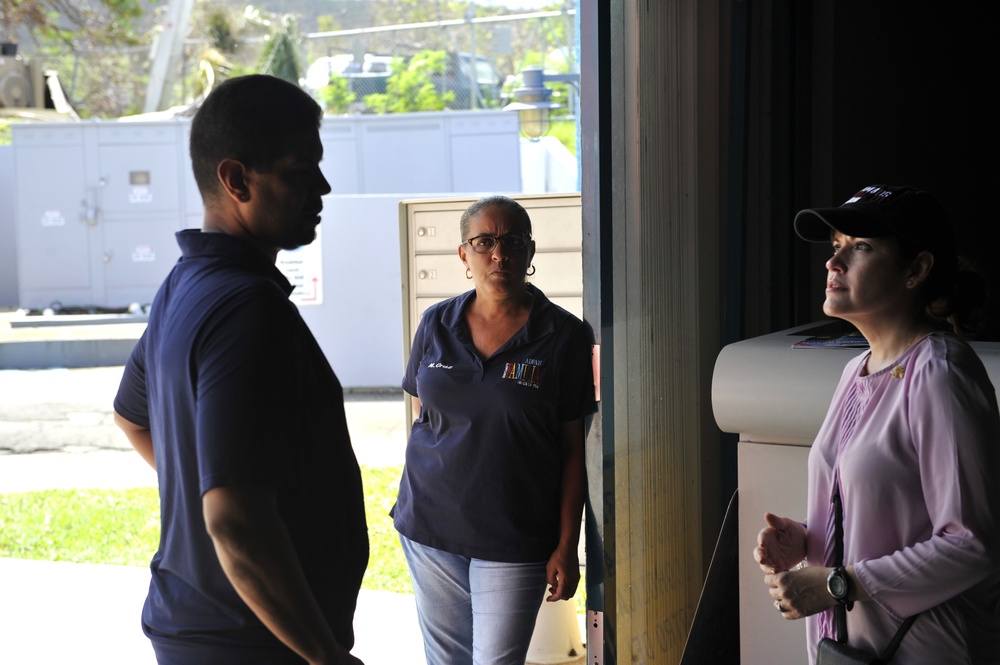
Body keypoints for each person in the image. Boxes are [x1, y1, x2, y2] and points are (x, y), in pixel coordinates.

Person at [112, 75, 369, 665]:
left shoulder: (184, 286)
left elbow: (132, 420)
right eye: (301, 170)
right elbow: (235, 523)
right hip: (253, 644)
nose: (323, 188)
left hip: (203, 630)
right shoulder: (246, 310)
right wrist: (325, 656)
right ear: (236, 179)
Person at [754, 185, 1000, 664]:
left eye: (860, 247)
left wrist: (836, 583)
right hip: (852, 651)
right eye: (834, 246)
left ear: (916, 269)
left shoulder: (940, 371)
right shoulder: (856, 369)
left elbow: (973, 544)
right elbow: (890, 513)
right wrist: (808, 537)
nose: (834, 262)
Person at [391, 195, 595, 665]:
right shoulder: (436, 323)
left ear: (530, 251)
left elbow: (571, 451)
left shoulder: (562, 335)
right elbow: (426, 415)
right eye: (484, 242)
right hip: (429, 528)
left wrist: (567, 545)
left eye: (512, 241)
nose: (498, 255)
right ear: (464, 255)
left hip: (514, 538)